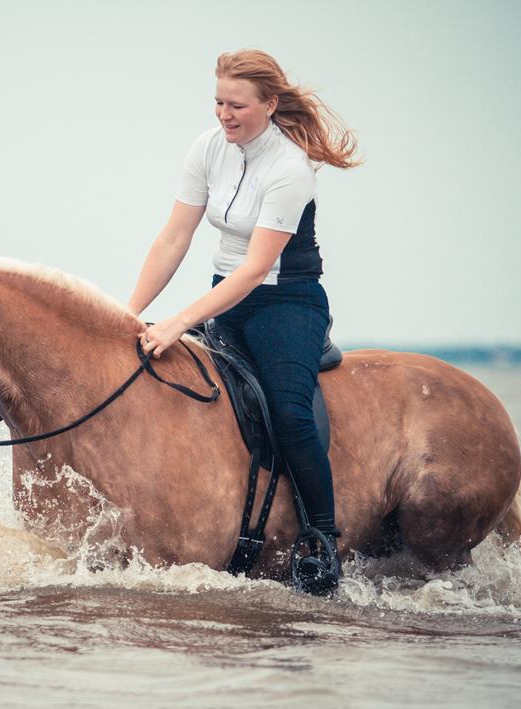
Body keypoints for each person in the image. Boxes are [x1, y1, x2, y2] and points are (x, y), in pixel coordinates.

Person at [127, 49, 360, 590]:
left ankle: (321, 541)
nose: (224, 115)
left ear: (270, 104)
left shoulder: (290, 169)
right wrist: (129, 314)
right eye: (218, 103)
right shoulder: (208, 148)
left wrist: (178, 323)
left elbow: (256, 270)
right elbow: (174, 238)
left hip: (287, 302)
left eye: (236, 105)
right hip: (222, 297)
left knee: (289, 415)